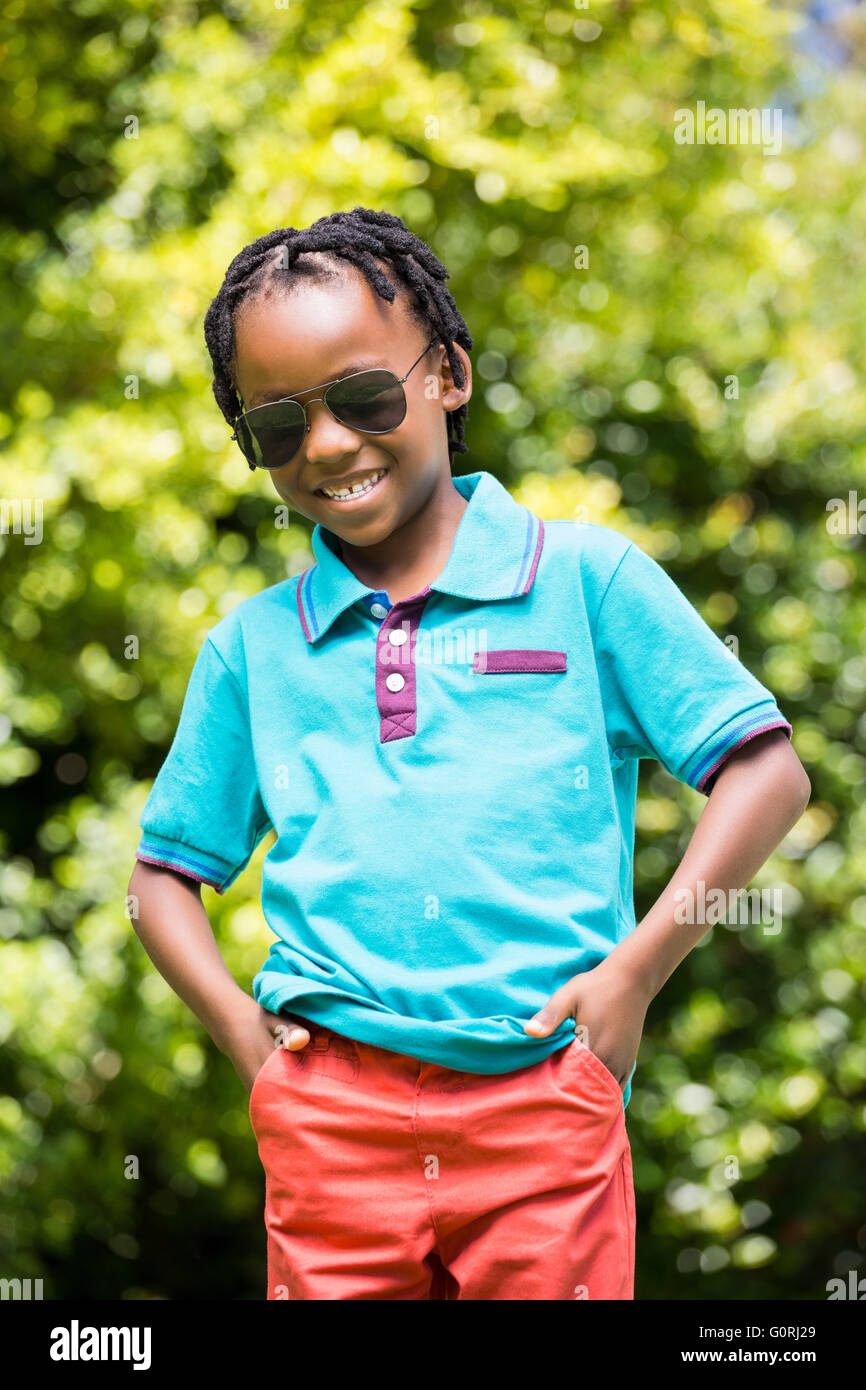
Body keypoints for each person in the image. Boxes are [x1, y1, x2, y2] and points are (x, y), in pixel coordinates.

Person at [127, 206, 811, 1301]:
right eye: (277, 427)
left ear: (447, 373)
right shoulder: (253, 647)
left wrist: (634, 973)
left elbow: (766, 773)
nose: (332, 446)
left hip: (543, 1096)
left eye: (362, 398)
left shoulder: (583, 580)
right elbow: (163, 878)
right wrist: (251, 1052)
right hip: (329, 1117)